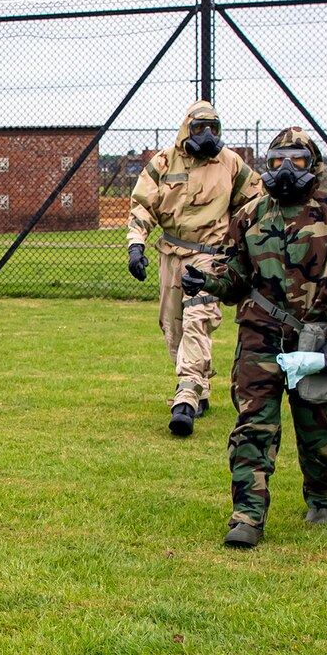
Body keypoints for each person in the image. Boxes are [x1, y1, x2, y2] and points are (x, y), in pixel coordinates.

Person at [182, 127, 327, 546]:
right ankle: (247, 517)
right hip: (260, 335)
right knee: (254, 425)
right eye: (276, 161)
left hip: (316, 338)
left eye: (298, 161)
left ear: (314, 165)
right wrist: (207, 282)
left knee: (317, 424)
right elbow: (235, 278)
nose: (286, 169)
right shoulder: (250, 216)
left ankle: (324, 496)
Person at [125, 100, 261, 436]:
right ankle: (200, 385)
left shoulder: (230, 163)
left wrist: (243, 243)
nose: (207, 135)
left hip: (209, 256)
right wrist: (136, 245)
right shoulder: (163, 162)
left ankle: (185, 397)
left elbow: (256, 199)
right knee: (172, 326)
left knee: (198, 318)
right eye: (200, 128)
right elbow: (143, 205)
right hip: (171, 252)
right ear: (187, 128)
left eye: (213, 128)